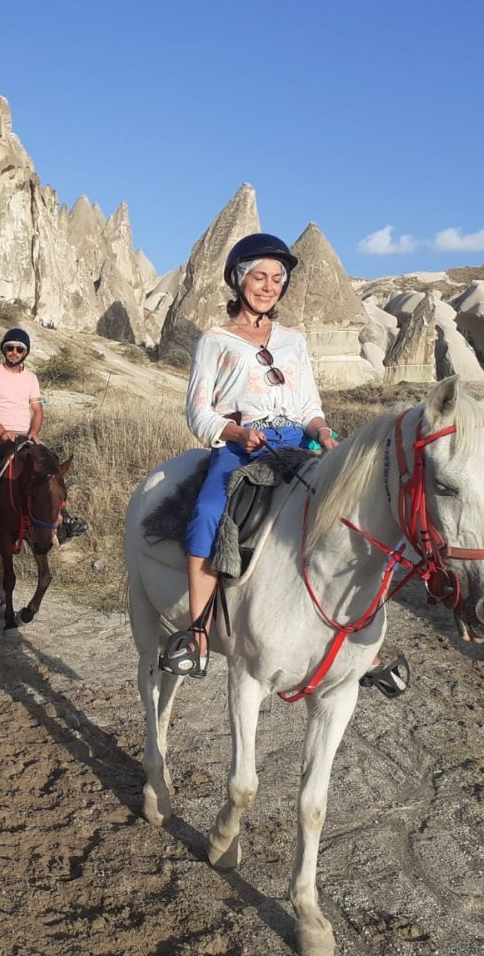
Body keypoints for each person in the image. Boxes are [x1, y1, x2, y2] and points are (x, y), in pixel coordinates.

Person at [158, 233, 339, 679]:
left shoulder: (294, 340)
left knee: (348, 508)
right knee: (206, 511)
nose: (269, 285)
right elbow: (198, 410)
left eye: (278, 278)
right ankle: (197, 632)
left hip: (297, 442)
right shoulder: (215, 340)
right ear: (239, 280)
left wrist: (324, 431)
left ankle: (353, 635)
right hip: (242, 444)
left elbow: (309, 405)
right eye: (260, 276)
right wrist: (235, 431)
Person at [0, 328, 87, 543]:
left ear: (25, 353)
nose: (14, 352)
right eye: (9, 348)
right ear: (4, 350)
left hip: (25, 435)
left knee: (52, 469)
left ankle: (63, 520)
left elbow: (37, 410)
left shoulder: (31, 378)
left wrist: (34, 432)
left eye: (19, 349)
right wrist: (1, 431)